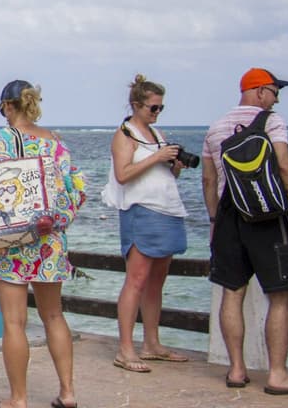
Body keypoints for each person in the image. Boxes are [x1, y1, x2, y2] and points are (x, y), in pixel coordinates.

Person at [0, 80, 86, 408]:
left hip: (7, 242)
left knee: (13, 322)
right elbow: (76, 191)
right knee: (54, 316)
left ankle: (18, 399)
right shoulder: (56, 144)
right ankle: (68, 392)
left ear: (7, 106)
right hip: (48, 241)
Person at [202, 68, 288, 395]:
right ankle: (278, 375)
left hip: (227, 216)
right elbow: (284, 164)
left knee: (231, 292)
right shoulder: (271, 122)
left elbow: (209, 180)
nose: (277, 99)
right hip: (267, 216)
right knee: (280, 295)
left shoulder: (215, 128)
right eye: (275, 92)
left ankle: (236, 369)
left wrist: (213, 221)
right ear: (260, 92)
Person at [102, 75, 189, 373]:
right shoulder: (124, 134)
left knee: (156, 283)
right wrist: (157, 157)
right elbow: (123, 174)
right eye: (153, 108)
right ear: (136, 105)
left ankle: (151, 343)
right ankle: (125, 349)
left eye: (160, 108)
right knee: (136, 280)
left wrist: (172, 164)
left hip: (167, 209)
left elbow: (162, 175)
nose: (156, 113)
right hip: (141, 211)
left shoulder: (156, 133)